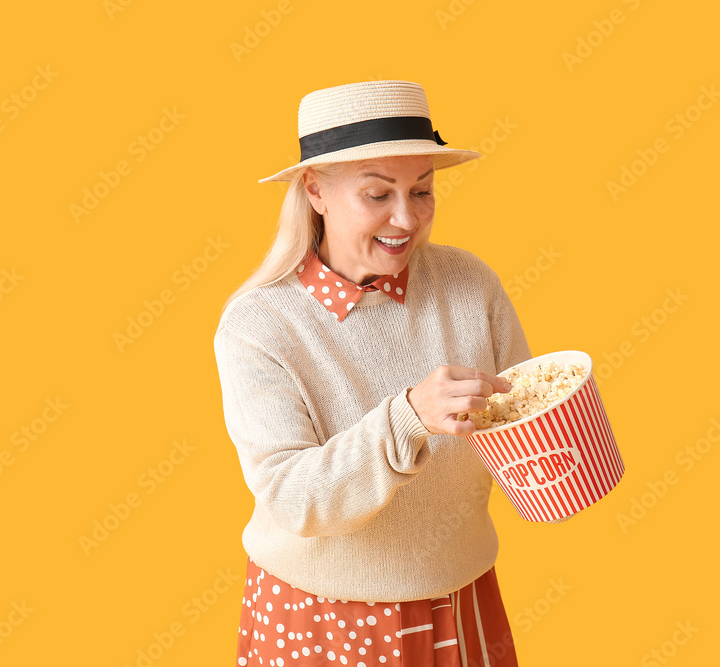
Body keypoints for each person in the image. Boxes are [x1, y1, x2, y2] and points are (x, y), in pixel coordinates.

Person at [214, 80, 531, 667]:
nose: (405, 217)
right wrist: (407, 417)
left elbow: (521, 417)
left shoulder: (470, 285)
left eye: (421, 190)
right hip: (324, 616)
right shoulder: (259, 324)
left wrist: (558, 440)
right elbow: (293, 501)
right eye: (378, 194)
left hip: (462, 598)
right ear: (315, 191)